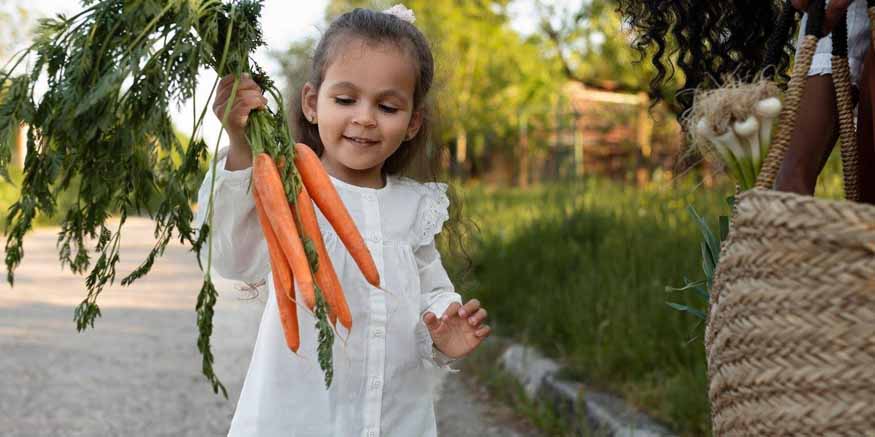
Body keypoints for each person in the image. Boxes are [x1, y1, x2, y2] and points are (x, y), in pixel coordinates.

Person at [193, 5, 491, 436]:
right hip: (296, 418)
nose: (365, 118)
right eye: (346, 99)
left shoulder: (413, 206)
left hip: (395, 420)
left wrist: (444, 328)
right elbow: (232, 260)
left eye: (387, 107)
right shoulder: (287, 191)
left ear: (412, 123)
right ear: (313, 103)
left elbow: (432, 288)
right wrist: (240, 142)